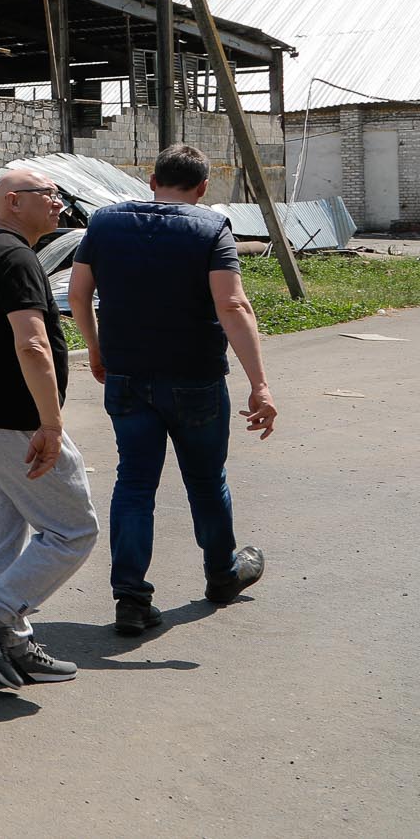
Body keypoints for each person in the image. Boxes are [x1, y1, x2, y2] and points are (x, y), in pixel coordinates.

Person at [68, 143, 276, 635]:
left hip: (126, 377)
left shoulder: (103, 223)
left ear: (151, 179)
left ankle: (131, 601)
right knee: (206, 481)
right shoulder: (210, 228)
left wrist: (96, 352)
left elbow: (79, 295)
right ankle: (222, 577)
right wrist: (260, 385)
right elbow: (233, 306)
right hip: (196, 379)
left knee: (135, 484)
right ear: (203, 188)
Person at [0, 168, 100, 689]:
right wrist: (52, 424)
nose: (59, 202)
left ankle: (9, 636)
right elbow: (31, 344)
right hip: (14, 421)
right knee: (73, 530)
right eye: (49, 195)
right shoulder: (15, 258)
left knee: (4, 530)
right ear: (14, 201)